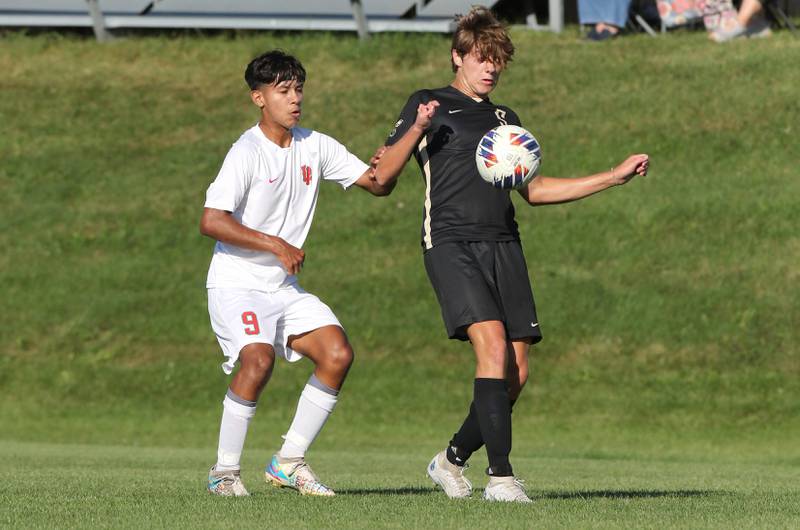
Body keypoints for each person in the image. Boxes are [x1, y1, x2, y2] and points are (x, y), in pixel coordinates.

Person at [373, 6, 649, 503]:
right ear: (457, 57)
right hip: (451, 243)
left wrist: (613, 176)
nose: (490, 69)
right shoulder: (429, 103)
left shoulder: (506, 120)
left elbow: (536, 190)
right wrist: (416, 128)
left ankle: (451, 459)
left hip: (504, 243)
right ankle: (501, 479)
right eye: (481, 59)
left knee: (516, 373)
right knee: (493, 348)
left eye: (497, 61)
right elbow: (381, 179)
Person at [200, 50, 392, 497]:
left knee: (337, 354)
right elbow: (211, 220)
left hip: (281, 288)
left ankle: (288, 462)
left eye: (298, 89)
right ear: (258, 98)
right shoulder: (246, 152)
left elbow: (379, 184)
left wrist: (411, 135)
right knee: (258, 359)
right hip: (237, 285)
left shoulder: (315, 145)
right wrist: (275, 244)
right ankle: (224, 473)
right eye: (282, 91)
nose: (294, 99)